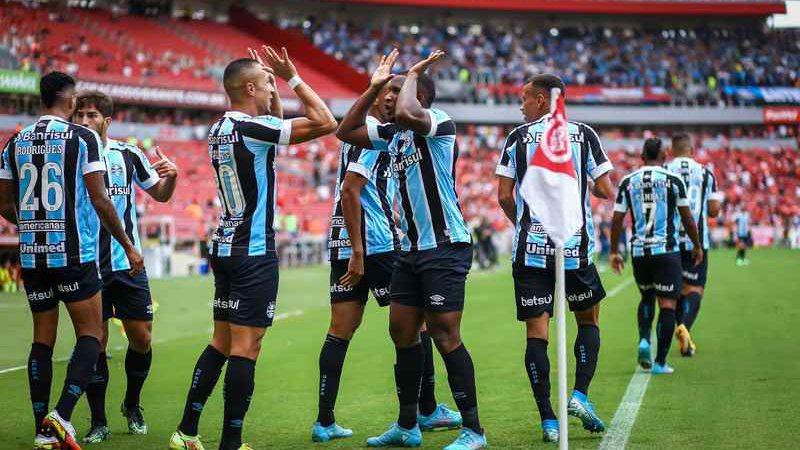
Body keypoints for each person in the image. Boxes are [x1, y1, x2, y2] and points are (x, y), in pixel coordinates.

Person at [169, 46, 337, 450]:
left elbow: (271, 129)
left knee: (221, 342)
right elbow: (326, 121)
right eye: (266, 84)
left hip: (225, 246)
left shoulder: (221, 128)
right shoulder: (250, 128)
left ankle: (187, 430)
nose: (271, 89)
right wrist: (294, 78)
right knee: (247, 347)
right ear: (249, 87)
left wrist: (273, 93)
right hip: (253, 251)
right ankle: (231, 442)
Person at [338, 49, 487, 450]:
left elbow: (408, 113)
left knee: (444, 334)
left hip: (445, 246)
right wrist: (371, 90)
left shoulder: (437, 123)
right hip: (410, 251)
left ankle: (473, 429)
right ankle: (408, 425)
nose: (389, 97)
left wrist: (412, 74)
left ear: (418, 95)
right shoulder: (392, 136)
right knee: (402, 331)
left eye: (396, 91)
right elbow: (346, 131)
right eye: (387, 91)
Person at [0, 71, 143, 450]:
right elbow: (100, 199)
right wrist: (128, 246)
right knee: (91, 335)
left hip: (32, 258)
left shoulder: (14, 143)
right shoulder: (83, 139)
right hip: (73, 256)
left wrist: (31, 224)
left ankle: (40, 428)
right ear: (68, 98)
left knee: (41, 341)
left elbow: (2, 203)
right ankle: (61, 416)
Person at [495, 74, 614, 443]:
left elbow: (504, 196)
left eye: (526, 99)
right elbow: (606, 189)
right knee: (588, 319)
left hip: (530, 251)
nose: (521, 106)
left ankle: (548, 419)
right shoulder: (585, 134)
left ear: (544, 101)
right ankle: (579, 396)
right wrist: (583, 185)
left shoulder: (517, 138)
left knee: (536, 332)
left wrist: (524, 227)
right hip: (574, 245)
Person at [71, 90, 178, 443]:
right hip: (88, 265)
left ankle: (132, 404)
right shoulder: (69, 154)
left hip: (127, 263)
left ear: (107, 121)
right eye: (80, 115)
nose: (84, 121)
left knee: (142, 336)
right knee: (95, 342)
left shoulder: (127, 153)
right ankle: (98, 420)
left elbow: (160, 194)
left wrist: (173, 176)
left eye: (91, 116)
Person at [609, 137, 703, 375]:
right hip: (666, 251)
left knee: (646, 297)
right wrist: (697, 244)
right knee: (668, 304)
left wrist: (613, 251)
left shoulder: (628, 181)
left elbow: (617, 219)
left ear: (642, 157)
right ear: (664, 157)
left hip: (640, 252)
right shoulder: (673, 180)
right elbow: (687, 218)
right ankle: (660, 362)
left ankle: (644, 339)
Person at [663, 133, 722, 357]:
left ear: (671, 150)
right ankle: (685, 326)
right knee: (694, 289)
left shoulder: (665, 171)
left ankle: (680, 329)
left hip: (670, 241)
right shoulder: (706, 173)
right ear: (692, 150)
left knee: (675, 291)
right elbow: (714, 210)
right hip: (698, 241)